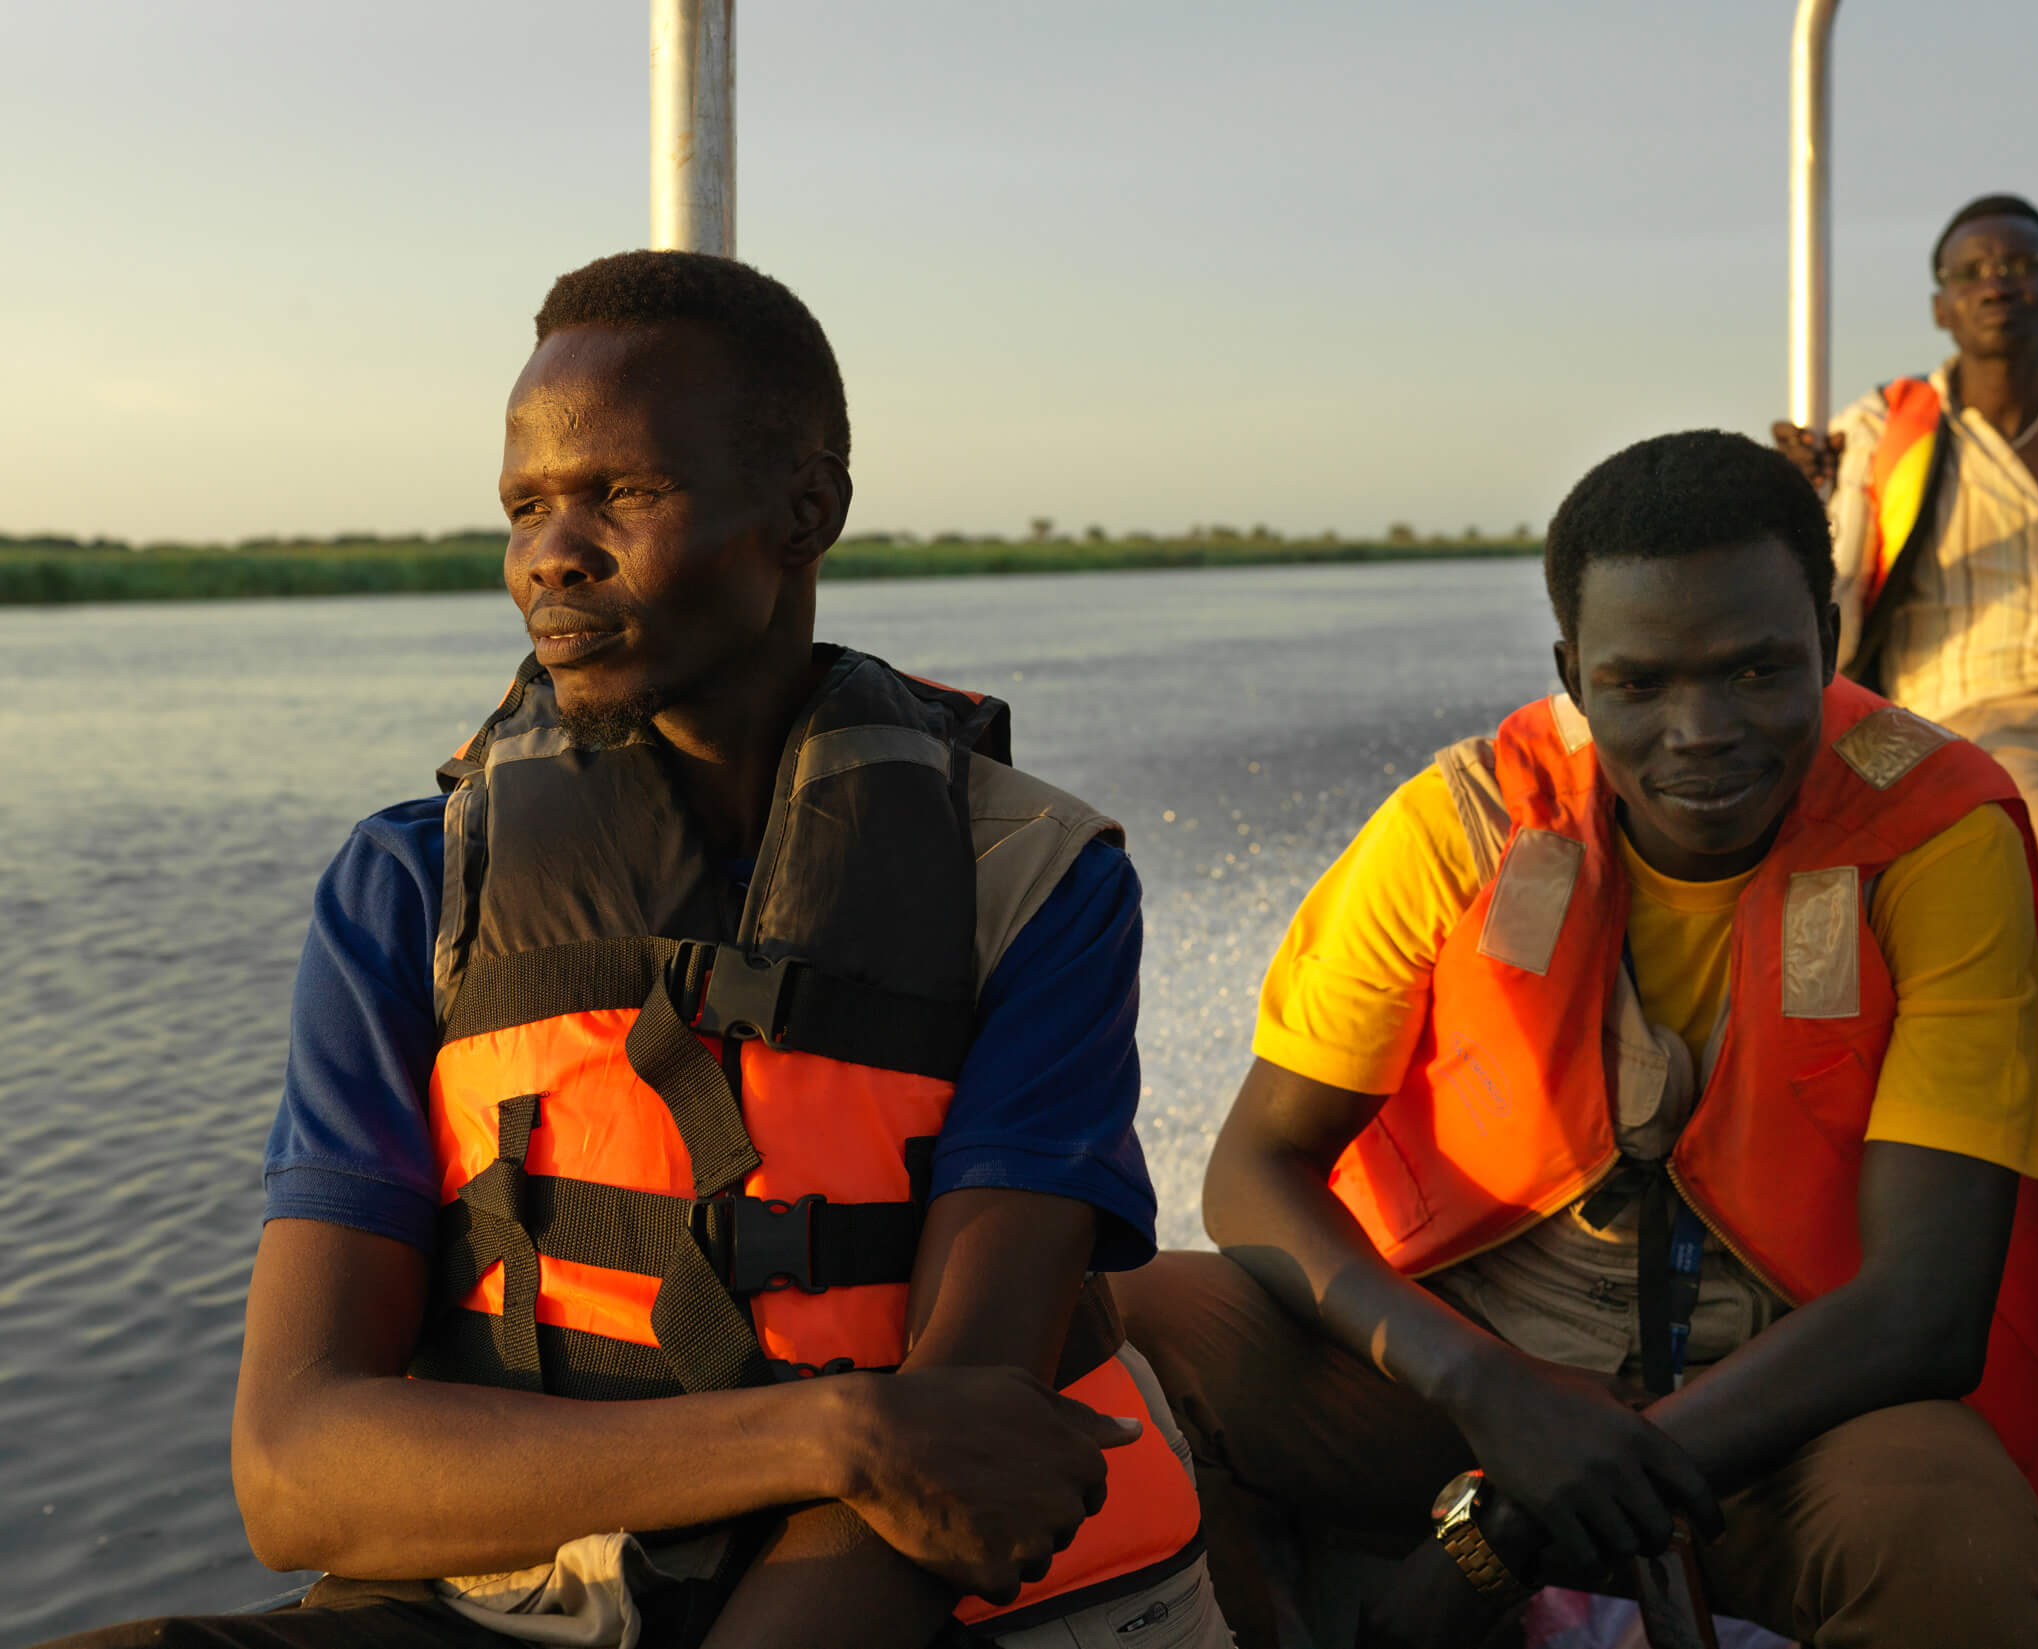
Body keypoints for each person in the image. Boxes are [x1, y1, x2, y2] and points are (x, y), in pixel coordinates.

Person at [47, 251, 1223, 1649]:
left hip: (840, 1589)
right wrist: (829, 1428)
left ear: (808, 511)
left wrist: (859, 1452)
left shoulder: (1030, 883)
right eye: (527, 506)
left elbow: (954, 1452)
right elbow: (295, 1473)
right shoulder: (403, 889)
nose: (553, 550)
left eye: (624, 495)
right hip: (477, 1595)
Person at [1115, 430, 2038, 1648]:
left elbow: (1922, 1307)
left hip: (1783, 1409)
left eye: (1759, 670)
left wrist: (1497, 1541)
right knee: (1125, 1321)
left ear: (1826, 634)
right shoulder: (1460, 823)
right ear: (1572, 668)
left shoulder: (1932, 840)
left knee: (1951, 1533)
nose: (1701, 729)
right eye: (1639, 683)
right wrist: (1488, 1391)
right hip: (1479, 1382)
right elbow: (1252, 1169)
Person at [1772, 193, 2038, 1030]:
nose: (1997, 284)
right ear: (1941, 307)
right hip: (1974, 720)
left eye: (2019, 266)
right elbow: (1828, 596)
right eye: (1971, 273)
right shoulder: (1882, 428)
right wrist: (1803, 493)